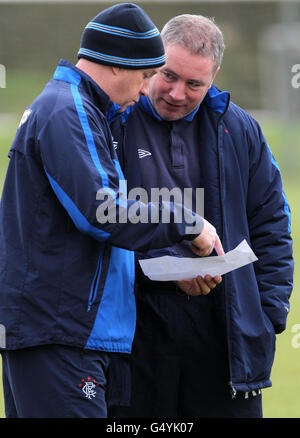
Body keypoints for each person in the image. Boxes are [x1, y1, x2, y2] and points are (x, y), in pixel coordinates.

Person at [0, 5, 222, 418]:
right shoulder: (70, 110)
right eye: (145, 77)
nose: (145, 91)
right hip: (62, 334)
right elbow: (105, 212)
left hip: (64, 333)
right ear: (119, 65)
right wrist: (188, 222)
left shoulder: (78, 109)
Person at [108, 14, 294, 418]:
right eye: (168, 75)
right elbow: (95, 220)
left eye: (194, 84)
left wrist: (267, 314)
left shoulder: (239, 129)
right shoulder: (114, 121)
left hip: (221, 330)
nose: (177, 92)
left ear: (214, 78)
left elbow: (272, 223)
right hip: (134, 329)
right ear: (152, 62)